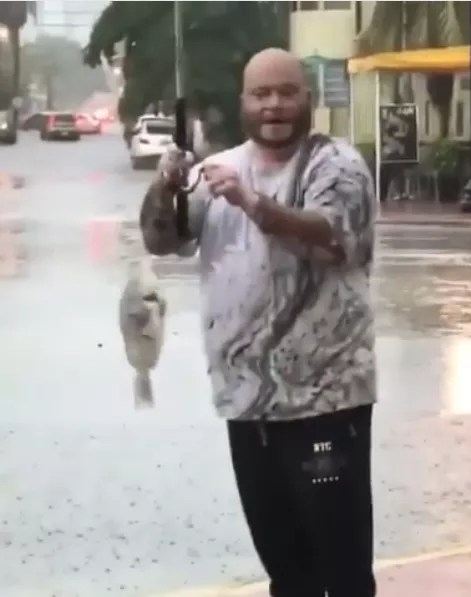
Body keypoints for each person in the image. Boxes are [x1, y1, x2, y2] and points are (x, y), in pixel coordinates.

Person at [139, 47, 378, 597]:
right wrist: (165, 187)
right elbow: (161, 239)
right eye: (261, 94)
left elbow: (329, 237)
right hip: (248, 406)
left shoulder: (336, 165)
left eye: (287, 92)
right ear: (243, 101)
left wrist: (255, 204)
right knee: (287, 573)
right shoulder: (217, 171)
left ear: (308, 99)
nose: (274, 105)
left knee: (342, 573)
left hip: (325, 403)